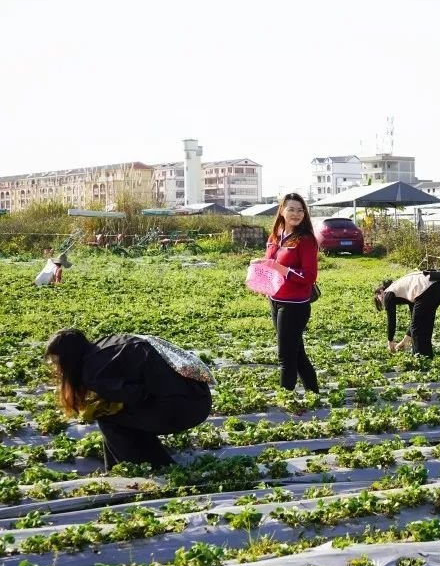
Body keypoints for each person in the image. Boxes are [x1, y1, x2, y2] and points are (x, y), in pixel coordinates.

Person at [44, 329, 213, 470]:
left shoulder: (92, 372)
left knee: (109, 419)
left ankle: (152, 467)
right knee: (127, 418)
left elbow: (135, 394)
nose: (56, 368)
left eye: (56, 362)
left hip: (185, 408)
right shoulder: (104, 344)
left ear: (68, 359)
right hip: (199, 396)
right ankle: (125, 466)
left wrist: (108, 402)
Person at [252, 192, 320, 393]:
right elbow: (270, 263)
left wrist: (281, 268)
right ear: (281, 210)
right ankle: (313, 393)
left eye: (300, 210)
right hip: (275, 300)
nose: (296, 214)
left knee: (286, 357)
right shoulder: (276, 235)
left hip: (295, 306)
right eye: (291, 209)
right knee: (297, 354)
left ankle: (286, 400)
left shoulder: (305, 240)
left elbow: (309, 276)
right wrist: (261, 267)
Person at [375, 271, 440, 358]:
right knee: (425, 321)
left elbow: (392, 320)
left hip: (429, 288)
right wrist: (404, 341)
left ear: (381, 291)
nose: (381, 302)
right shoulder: (405, 290)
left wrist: (390, 341)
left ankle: (420, 358)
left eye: (378, 298)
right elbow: (414, 318)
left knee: (418, 326)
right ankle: (427, 357)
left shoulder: (387, 293)